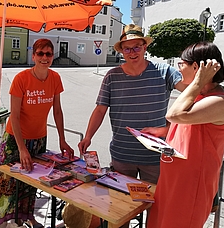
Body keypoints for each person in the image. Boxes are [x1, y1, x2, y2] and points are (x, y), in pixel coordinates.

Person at [78, 24, 186, 186]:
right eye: (127, 49)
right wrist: (88, 136)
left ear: (145, 47)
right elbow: (100, 110)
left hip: (154, 157)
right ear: (121, 51)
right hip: (122, 155)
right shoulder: (112, 76)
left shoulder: (165, 71)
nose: (132, 53)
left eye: (136, 47)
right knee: (122, 206)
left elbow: (191, 94)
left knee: (154, 206)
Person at [0, 38, 74, 228]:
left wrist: (62, 140)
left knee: (32, 183)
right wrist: (22, 148)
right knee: (5, 182)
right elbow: (14, 116)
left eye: (48, 54)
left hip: (39, 139)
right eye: (40, 53)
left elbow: (57, 111)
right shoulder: (21, 79)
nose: (44, 57)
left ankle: (27, 217)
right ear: (33, 56)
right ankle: (0, 220)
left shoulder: (55, 78)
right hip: (15, 139)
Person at [146, 42, 224, 228]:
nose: (177, 68)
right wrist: (162, 132)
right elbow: (186, 128)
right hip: (172, 180)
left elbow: (174, 115)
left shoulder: (220, 101)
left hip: (190, 186)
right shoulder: (198, 96)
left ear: (196, 67)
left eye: (181, 64)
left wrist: (197, 82)